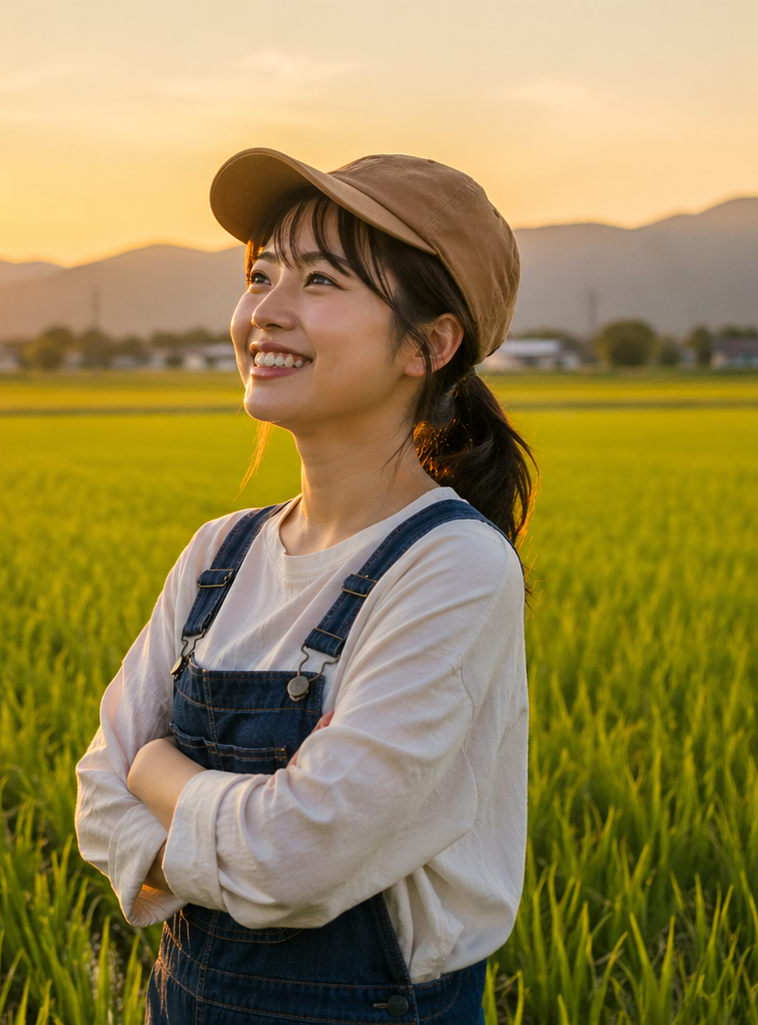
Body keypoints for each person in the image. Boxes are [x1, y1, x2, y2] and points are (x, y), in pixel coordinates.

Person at [74, 149, 533, 1025]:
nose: (264, 312)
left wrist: (159, 772)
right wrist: (218, 825)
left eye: (320, 282)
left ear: (428, 344)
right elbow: (100, 795)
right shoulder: (220, 551)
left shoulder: (452, 565)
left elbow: (292, 856)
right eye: (260, 274)